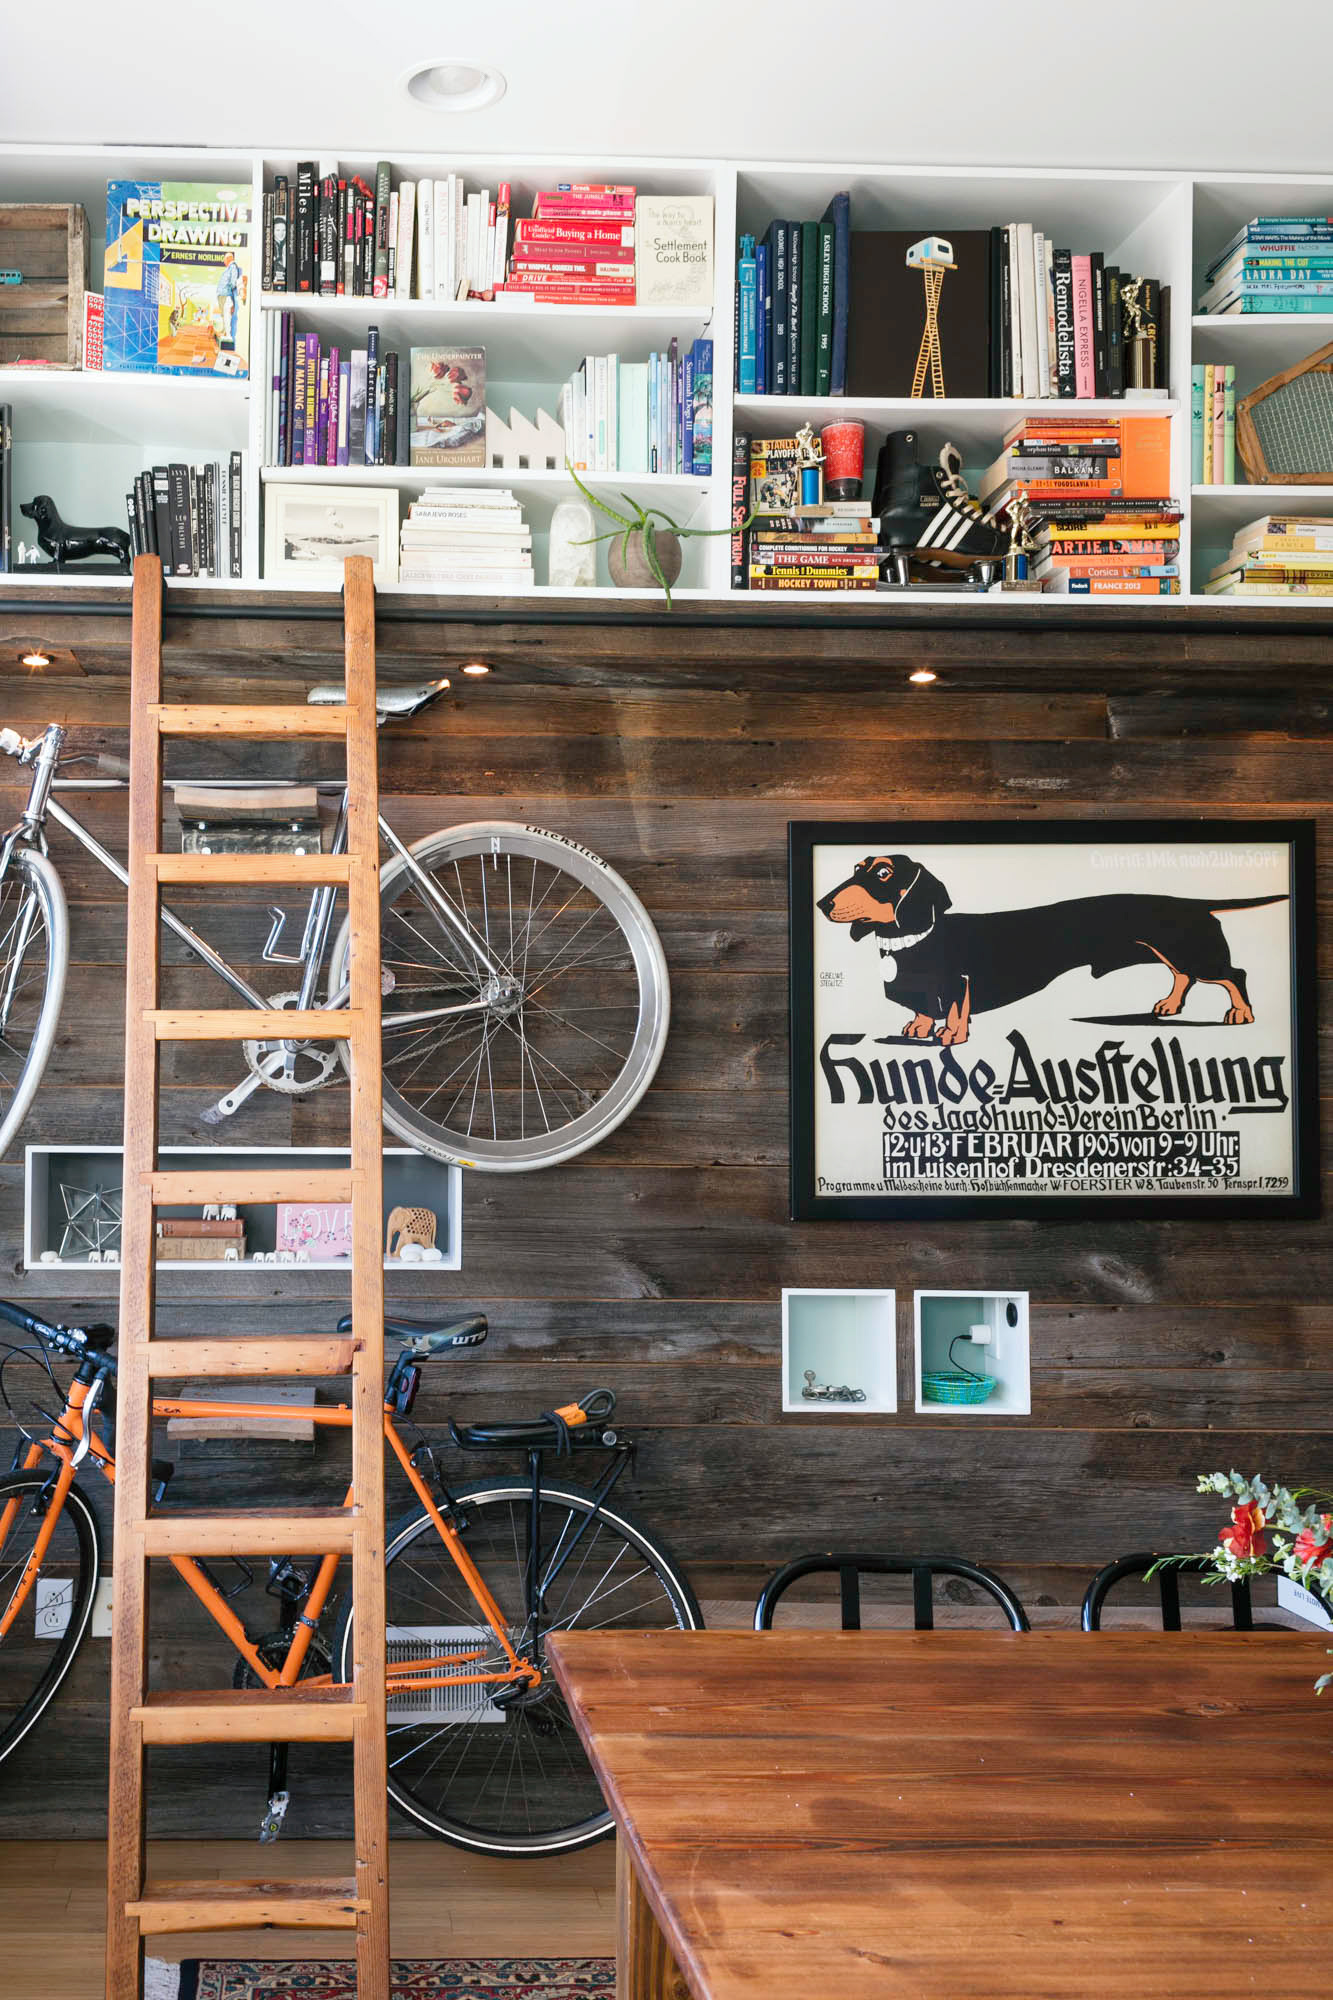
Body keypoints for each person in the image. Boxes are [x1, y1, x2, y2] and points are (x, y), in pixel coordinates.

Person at [215, 251, 246, 350]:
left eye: (225, 259)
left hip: (226, 294)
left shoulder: (232, 267)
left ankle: (228, 335)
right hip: (222, 294)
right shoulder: (229, 268)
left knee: (226, 315)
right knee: (224, 315)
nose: (224, 262)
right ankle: (225, 333)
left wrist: (228, 289)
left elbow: (233, 282)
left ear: (228, 259)